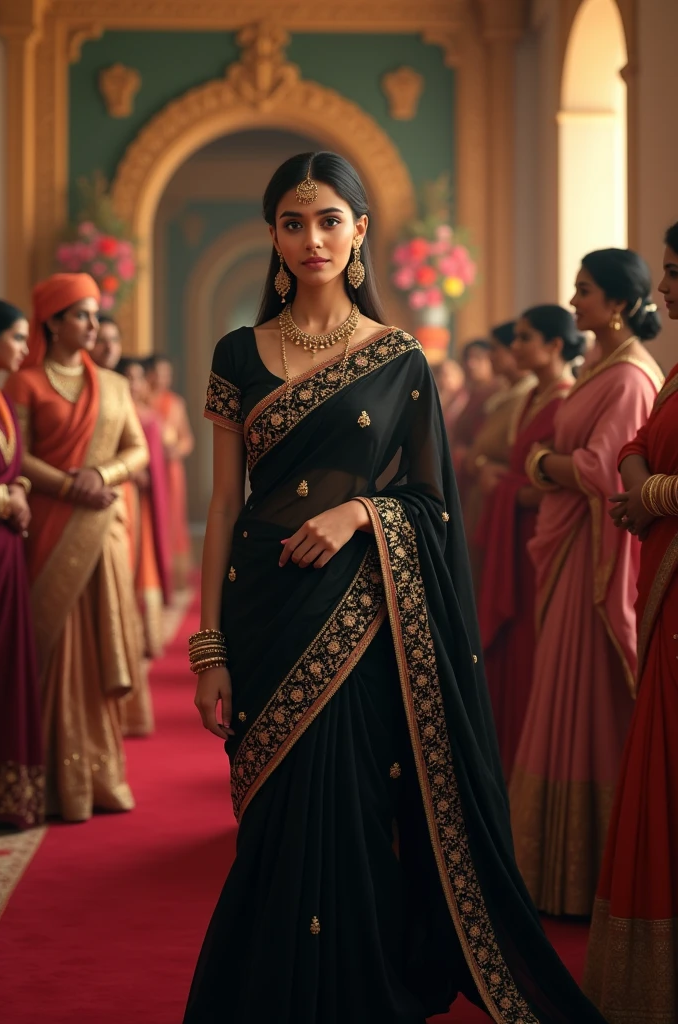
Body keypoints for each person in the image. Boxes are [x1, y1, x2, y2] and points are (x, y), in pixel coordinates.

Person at [184, 151, 606, 1024]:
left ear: (361, 230)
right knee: (272, 820)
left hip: (362, 611)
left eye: (330, 220)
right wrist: (209, 648)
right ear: (273, 234)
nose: (313, 239)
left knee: (352, 806)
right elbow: (225, 503)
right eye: (294, 222)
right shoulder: (239, 352)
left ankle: (353, 993)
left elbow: (432, 504)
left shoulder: (398, 357)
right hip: (262, 612)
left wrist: (360, 518)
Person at [509, 248, 664, 916]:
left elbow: (604, 472)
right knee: (557, 690)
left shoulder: (629, 378)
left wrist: (542, 463)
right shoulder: (602, 366)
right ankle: (546, 868)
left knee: (585, 698)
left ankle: (586, 872)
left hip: (593, 556)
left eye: (584, 292)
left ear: (620, 304)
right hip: (568, 547)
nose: (575, 304)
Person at [4, 274, 149, 822]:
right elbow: (18, 456)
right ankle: (45, 780)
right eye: (81, 315)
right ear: (53, 323)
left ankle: (98, 778)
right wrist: (70, 485)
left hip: (102, 529)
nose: (93, 326)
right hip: (49, 524)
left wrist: (100, 473)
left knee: (96, 647)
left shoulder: (112, 386)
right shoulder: (25, 384)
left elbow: (136, 450)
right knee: (52, 645)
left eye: (94, 315)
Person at [584, 223, 678, 1023]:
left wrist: (647, 496)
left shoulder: (635, 371)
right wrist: (643, 479)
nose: (667, 289)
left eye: (677, 273)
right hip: (663, 585)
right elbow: (636, 449)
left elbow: (633, 465)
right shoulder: (674, 371)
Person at [475, 306, 582, 781]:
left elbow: (566, 480)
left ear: (555, 345)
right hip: (512, 533)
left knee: (527, 643)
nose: (515, 347)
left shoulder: (564, 399)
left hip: (537, 536)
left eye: (524, 337)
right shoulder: (533, 397)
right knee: (511, 643)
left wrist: (506, 489)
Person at [0, 300, 44, 830]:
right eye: (18, 337)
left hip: (5, 550)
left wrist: (19, 491)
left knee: (5, 662)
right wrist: (6, 500)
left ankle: (6, 794)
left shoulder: (1, 399)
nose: (25, 349)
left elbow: (8, 469)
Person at [460, 321, 535, 579]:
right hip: (483, 499)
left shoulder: (527, 397)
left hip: (503, 505)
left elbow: (516, 458)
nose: (490, 356)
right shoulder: (505, 394)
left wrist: (477, 463)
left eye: (495, 349)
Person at [118, 357, 171, 660]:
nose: (133, 384)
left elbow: (154, 468)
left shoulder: (150, 417)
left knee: (143, 560)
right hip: (118, 496)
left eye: (138, 378)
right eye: (127, 377)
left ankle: (145, 638)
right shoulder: (110, 412)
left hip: (142, 503)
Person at [146, 354, 194, 589]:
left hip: (172, 470)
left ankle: (174, 577)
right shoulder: (142, 400)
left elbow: (187, 439)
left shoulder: (175, 402)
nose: (163, 378)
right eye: (159, 372)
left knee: (174, 518)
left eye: (167, 373)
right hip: (150, 469)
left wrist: (177, 449)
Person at [450, 338, 502, 478]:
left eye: (478, 358)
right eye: (468, 358)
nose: (471, 364)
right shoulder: (469, 394)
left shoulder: (498, 395)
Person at [432, 356, 468, 439]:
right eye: (441, 375)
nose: (445, 379)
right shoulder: (436, 397)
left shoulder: (464, 399)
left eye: (449, 375)